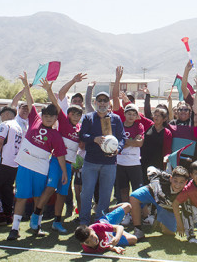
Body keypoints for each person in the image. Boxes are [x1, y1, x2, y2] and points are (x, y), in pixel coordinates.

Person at [7, 72, 68, 240]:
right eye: (46, 116)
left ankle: (37, 226)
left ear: (56, 118)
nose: (48, 119)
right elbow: (29, 100)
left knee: (37, 198)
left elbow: (61, 155)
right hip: (25, 165)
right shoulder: (34, 119)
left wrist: (63, 172)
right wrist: (26, 84)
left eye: (51, 116)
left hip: (41, 168)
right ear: (42, 116)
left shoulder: (56, 135)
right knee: (20, 197)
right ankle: (15, 229)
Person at [29, 79, 82, 234]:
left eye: (79, 114)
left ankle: (57, 222)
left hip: (69, 165)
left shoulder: (79, 128)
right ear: (69, 114)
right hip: (56, 162)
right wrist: (49, 90)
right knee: (51, 187)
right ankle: (36, 214)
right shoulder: (64, 121)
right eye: (74, 113)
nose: (77, 116)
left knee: (62, 194)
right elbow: (56, 103)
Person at [79, 90, 126, 226]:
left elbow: (122, 137)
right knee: (87, 192)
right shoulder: (88, 118)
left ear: (109, 103)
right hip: (91, 162)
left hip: (109, 163)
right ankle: (84, 220)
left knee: (106, 193)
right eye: (99, 100)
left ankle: (101, 221)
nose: (102, 103)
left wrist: (118, 149)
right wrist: (95, 139)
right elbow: (82, 135)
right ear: (95, 102)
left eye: (105, 100)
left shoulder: (115, 119)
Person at [129, 165, 189, 240]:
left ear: (186, 182)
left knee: (170, 233)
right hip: (151, 194)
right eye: (175, 181)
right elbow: (151, 168)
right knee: (134, 196)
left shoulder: (187, 191)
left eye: (181, 182)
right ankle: (138, 230)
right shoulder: (165, 177)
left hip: (166, 206)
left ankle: (157, 222)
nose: (177, 185)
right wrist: (155, 181)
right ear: (171, 178)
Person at [116, 104, 145, 222]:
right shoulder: (119, 126)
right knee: (123, 190)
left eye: (134, 114)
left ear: (137, 115)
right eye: (129, 113)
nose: (131, 116)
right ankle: (126, 214)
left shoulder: (139, 125)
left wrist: (124, 142)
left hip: (134, 163)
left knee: (137, 191)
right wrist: (132, 141)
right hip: (120, 162)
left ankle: (138, 214)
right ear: (124, 114)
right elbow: (116, 142)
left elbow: (140, 143)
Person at [0, 106, 23, 226]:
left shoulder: (5, 124)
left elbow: (0, 142)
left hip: (2, 162)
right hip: (13, 164)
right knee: (7, 189)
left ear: (6, 114)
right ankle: (8, 215)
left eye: (1, 115)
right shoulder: (19, 127)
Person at [140, 106, 172, 183]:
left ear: (164, 119)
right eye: (155, 115)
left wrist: (167, 157)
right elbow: (139, 116)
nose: (155, 117)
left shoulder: (167, 133)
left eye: (158, 116)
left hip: (158, 163)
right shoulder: (148, 125)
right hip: (144, 161)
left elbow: (168, 149)